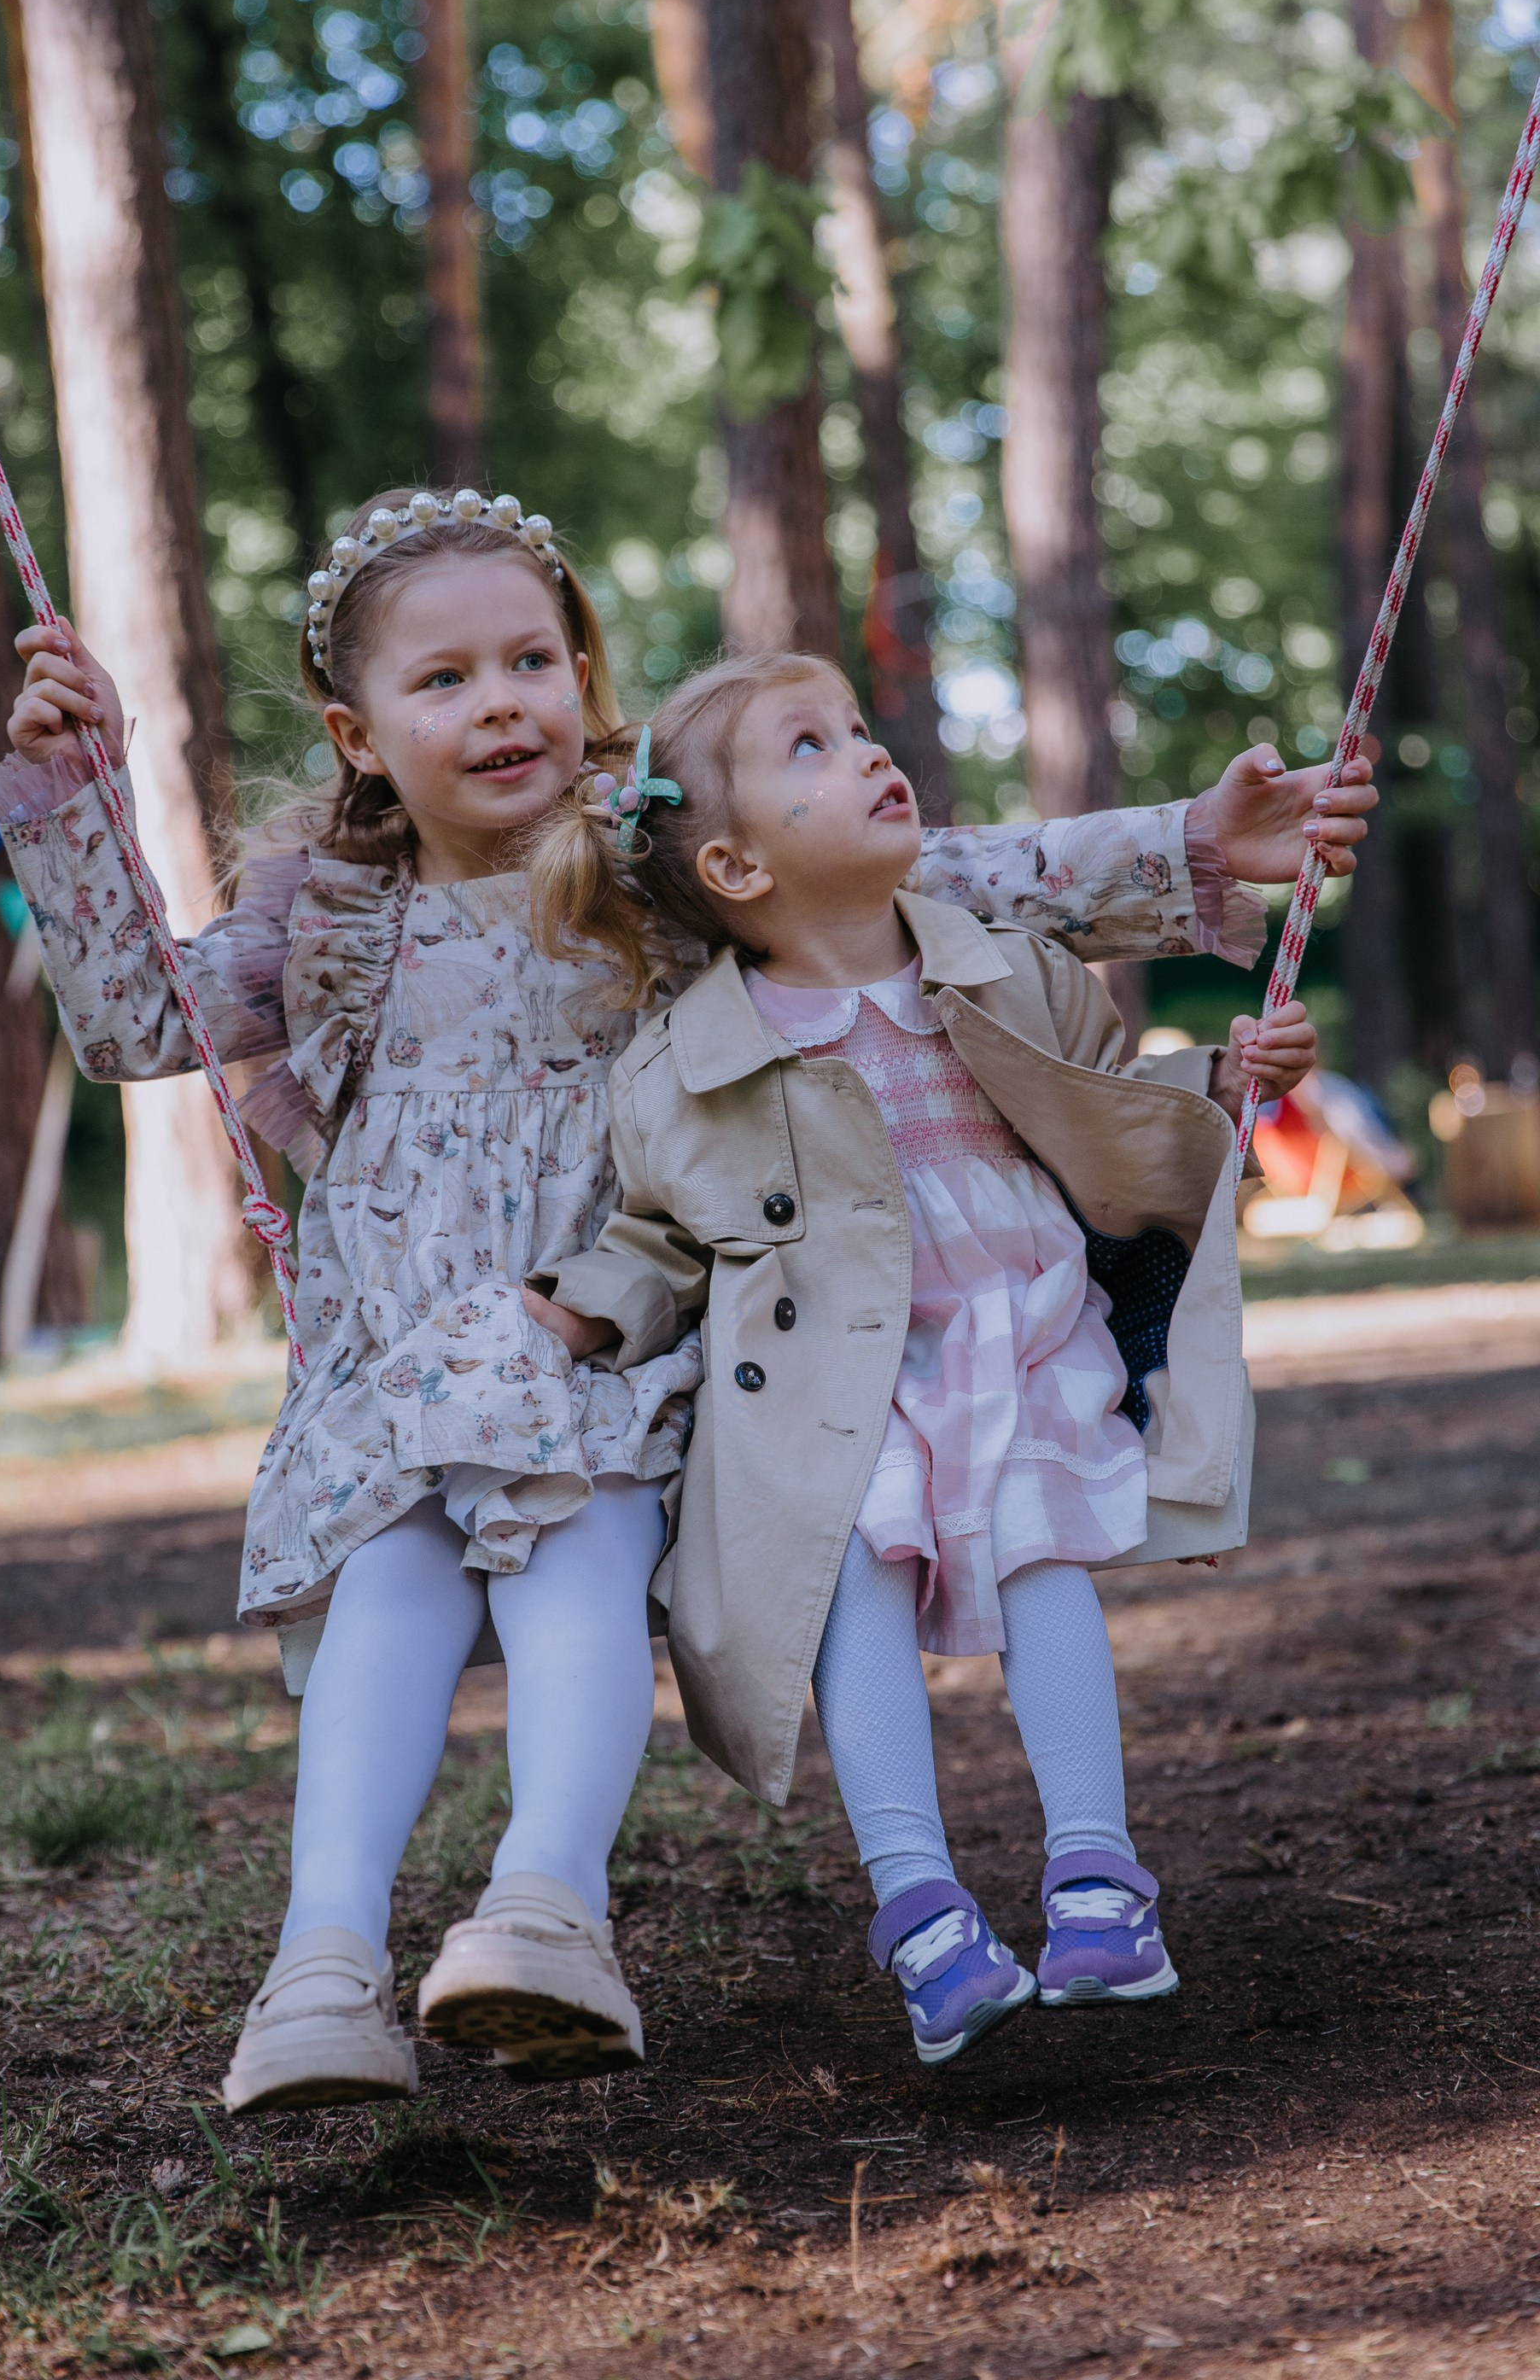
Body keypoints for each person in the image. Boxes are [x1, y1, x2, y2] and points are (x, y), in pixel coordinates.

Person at [0, 490, 1370, 2111]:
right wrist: (83, 796)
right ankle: (321, 1967)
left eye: (531, 660)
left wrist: (1196, 847)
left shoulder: (651, 869)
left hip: (629, 1337)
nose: (501, 701)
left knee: (578, 1578)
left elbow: (919, 875)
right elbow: (139, 1020)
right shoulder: (327, 925)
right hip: (405, 1365)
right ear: (359, 736)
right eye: (443, 683)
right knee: (392, 1598)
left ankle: (546, 1909)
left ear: (582, 676)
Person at [527, 651, 1318, 2067]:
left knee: (1042, 1559)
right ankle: (923, 1911)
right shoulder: (682, 1068)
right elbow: (662, 1241)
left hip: (1017, 1332)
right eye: (812, 748)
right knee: (852, 1588)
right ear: (735, 864)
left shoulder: (1008, 970)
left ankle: (1097, 1879)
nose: (872, 753)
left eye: (860, 727)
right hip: (835, 1369)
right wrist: (586, 1308)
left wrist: (1220, 1083)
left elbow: (1102, 1108)